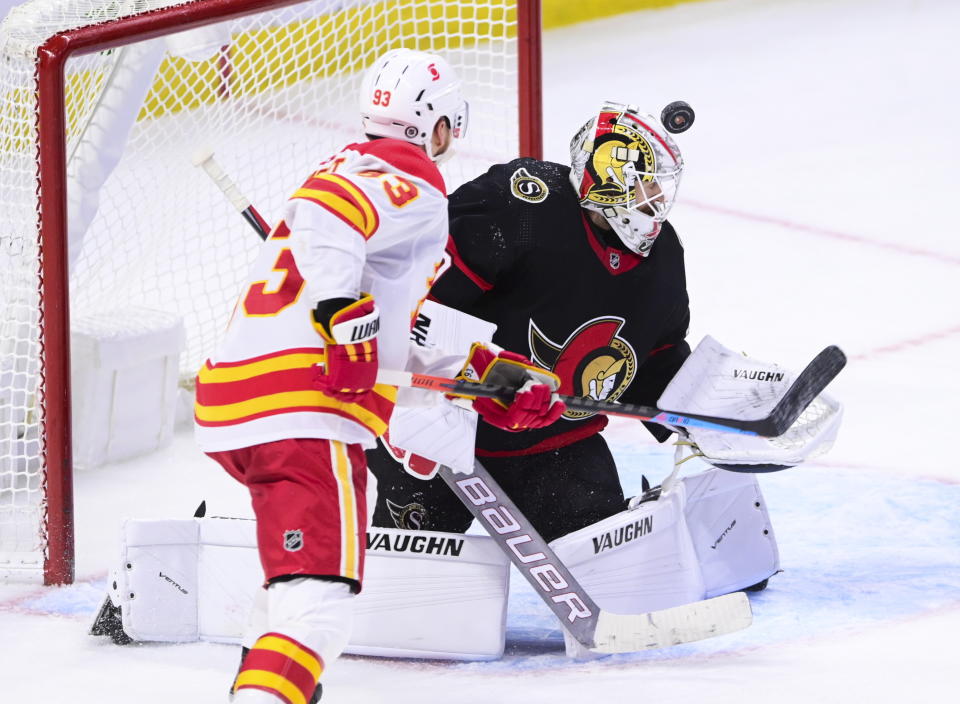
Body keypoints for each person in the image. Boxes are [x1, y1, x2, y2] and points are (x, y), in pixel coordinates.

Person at [193, 48, 562, 704]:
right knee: (321, 611)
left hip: (239, 403)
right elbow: (330, 211)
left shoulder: (362, 171)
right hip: (300, 410)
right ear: (435, 124)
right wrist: (344, 319)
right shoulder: (406, 173)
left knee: (294, 595)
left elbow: (400, 333)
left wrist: (492, 375)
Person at [369, 100, 695, 543]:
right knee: (409, 591)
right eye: (646, 183)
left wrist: (706, 415)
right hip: (445, 433)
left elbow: (658, 357)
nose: (657, 197)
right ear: (609, 180)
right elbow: (417, 300)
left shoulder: (662, 255)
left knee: (612, 574)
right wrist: (423, 401)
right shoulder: (523, 208)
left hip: (556, 444)